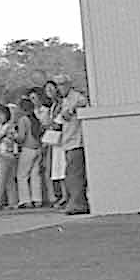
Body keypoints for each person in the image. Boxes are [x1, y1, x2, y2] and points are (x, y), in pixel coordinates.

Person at [56, 84, 90, 215]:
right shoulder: (64, 100)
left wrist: (71, 110)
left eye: (61, 85)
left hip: (76, 140)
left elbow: (83, 103)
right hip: (68, 140)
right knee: (71, 174)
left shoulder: (76, 98)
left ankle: (78, 203)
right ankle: (75, 201)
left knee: (75, 173)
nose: (59, 89)